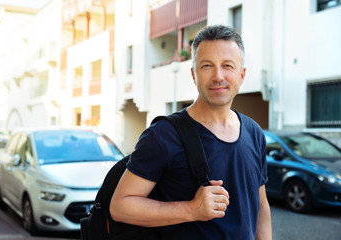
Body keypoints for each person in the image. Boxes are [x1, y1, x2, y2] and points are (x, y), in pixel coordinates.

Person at [110, 25, 272, 240]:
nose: (218, 76)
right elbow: (120, 207)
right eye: (207, 66)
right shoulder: (163, 135)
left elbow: (261, 207)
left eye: (227, 66)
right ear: (194, 74)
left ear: (241, 75)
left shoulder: (254, 132)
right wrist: (191, 209)